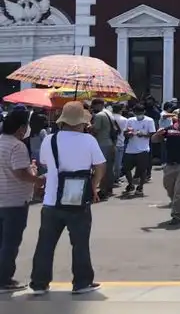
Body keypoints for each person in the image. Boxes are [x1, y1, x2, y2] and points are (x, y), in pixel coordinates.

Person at [29, 101, 105, 296]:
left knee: (45, 243)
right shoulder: (89, 141)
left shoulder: (50, 140)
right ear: (82, 122)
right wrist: (94, 186)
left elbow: (45, 162)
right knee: (80, 243)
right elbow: (101, 166)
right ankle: (81, 282)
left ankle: (39, 283)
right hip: (78, 200)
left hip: (52, 199)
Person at [0, 108, 39, 293]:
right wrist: (37, 176)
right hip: (14, 201)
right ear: (22, 128)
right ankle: (4, 279)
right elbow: (21, 173)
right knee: (10, 243)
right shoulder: (17, 146)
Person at [122, 107, 156, 196]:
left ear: (144, 112)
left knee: (142, 169)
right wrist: (128, 134)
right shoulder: (130, 120)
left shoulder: (149, 120)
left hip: (143, 149)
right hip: (130, 149)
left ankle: (140, 187)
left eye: (140, 112)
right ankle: (131, 184)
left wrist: (143, 134)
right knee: (126, 168)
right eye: (137, 112)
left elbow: (152, 133)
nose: (139, 114)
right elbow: (125, 132)